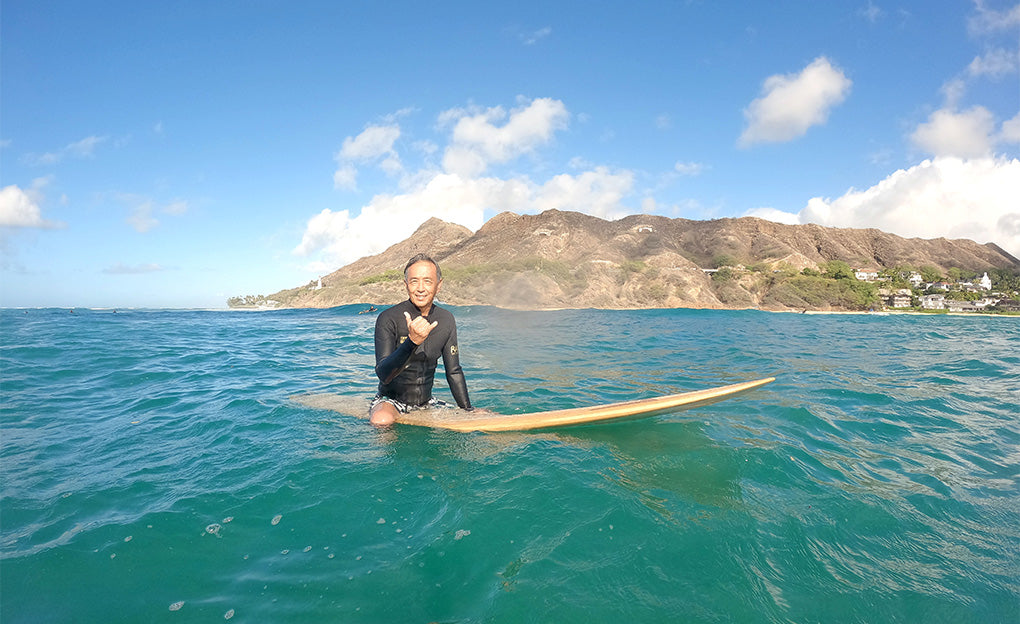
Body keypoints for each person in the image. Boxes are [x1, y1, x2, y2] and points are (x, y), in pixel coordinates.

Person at [369, 253, 474, 425]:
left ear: (438, 285)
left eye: (427, 281)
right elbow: (383, 375)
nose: (420, 288)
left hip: (427, 403)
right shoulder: (388, 318)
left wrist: (468, 410)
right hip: (391, 401)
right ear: (406, 284)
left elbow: (453, 371)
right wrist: (411, 342)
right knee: (381, 420)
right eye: (414, 281)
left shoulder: (446, 319)